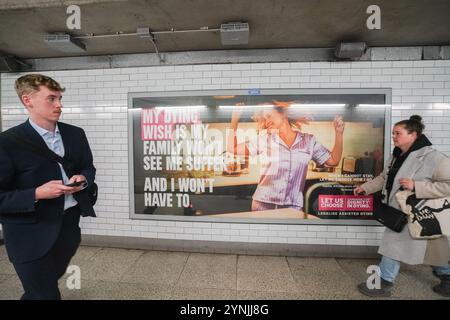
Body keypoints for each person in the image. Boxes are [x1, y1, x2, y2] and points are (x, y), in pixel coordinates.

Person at [0, 74, 96, 300]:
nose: (59, 105)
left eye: (60, 98)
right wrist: (36, 193)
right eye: (51, 99)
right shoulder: (7, 142)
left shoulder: (75, 134)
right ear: (27, 100)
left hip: (68, 226)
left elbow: (89, 167)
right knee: (46, 295)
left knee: (39, 291)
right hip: (28, 234)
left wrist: (83, 178)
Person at [354, 115, 450, 297]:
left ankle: (383, 282)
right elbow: (384, 178)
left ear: (413, 134)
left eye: (398, 133)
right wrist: (365, 188)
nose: (394, 137)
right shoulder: (396, 156)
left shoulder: (434, 158)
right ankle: (447, 276)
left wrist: (418, 186)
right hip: (400, 210)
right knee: (433, 245)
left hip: (420, 213)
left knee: (394, 244)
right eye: (393, 133)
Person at [227, 100, 344, 211]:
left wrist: (339, 133)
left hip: (293, 207)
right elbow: (232, 148)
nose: (266, 121)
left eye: (268, 116)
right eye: (264, 118)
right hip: (263, 205)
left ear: (282, 114)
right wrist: (234, 119)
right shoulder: (264, 139)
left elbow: (333, 161)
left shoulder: (309, 141)